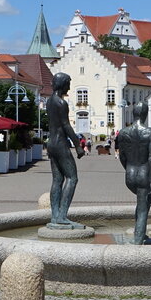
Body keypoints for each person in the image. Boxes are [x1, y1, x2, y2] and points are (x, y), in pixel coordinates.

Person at [46, 73, 86, 228]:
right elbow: (66, 125)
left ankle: (55, 215)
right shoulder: (61, 103)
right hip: (61, 144)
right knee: (72, 178)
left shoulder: (49, 101)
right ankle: (62, 216)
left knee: (57, 180)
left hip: (51, 143)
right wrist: (77, 145)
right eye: (68, 83)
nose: (69, 86)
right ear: (62, 84)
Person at [118, 102, 151, 244]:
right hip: (143, 173)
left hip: (130, 174)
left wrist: (128, 169)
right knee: (143, 208)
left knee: (143, 203)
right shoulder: (150, 132)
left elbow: (122, 157)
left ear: (134, 113)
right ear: (145, 114)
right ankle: (138, 241)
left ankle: (138, 232)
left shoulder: (123, 133)